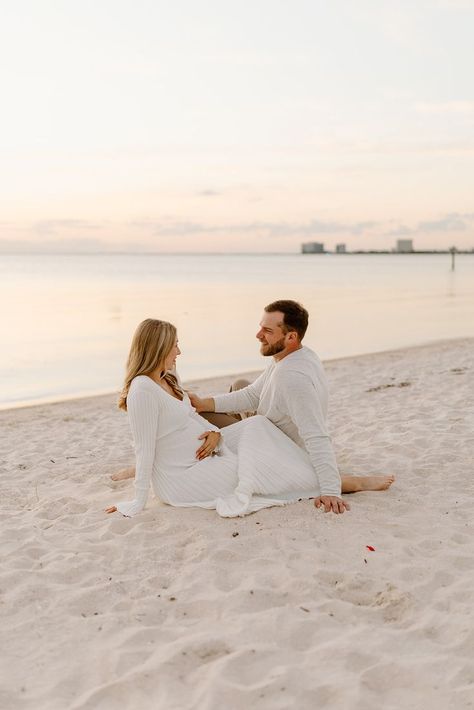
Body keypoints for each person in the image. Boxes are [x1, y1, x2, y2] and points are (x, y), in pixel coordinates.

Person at [106, 318, 341, 519]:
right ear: (158, 349)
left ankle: (313, 475)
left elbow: (190, 415)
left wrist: (215, 433)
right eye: (175, 346)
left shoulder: (168, 377)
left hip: (205, 451)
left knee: (258, 425)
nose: (179, 352)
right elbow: (144, 450)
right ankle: (339, 483)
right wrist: (137, 501)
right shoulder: (142, 391)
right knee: (250, 470)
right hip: (180, 474)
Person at [190, 300, 394, 514]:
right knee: (239, 385)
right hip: (269, 427)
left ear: (291, 337)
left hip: (280, 449)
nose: (258, 335)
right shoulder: (291, 355)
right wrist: (204, 402)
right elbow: (252, 394)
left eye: (267, 331)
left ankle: (349, 482)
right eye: (261, 327)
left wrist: (331, 490)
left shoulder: (291, 378)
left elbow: (316, 435)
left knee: (203, 419)